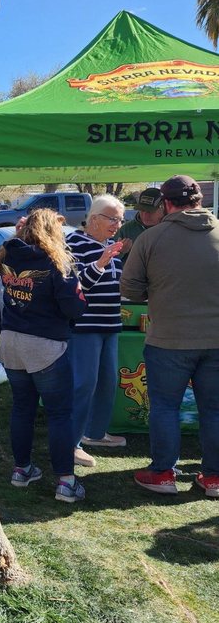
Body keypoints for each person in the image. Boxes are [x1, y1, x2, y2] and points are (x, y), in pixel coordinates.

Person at [121, 175, 219, 496]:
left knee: (165, 407)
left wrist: (160, 291)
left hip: (168, 340)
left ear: (165, 203)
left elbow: (130, 289)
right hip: (215, 341)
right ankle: (214, 478)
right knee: (214, 410)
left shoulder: (151, 238)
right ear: (199, 199)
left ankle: (163, 473)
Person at [0, 209, 88, 502]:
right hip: (44, 344)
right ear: (53, 231)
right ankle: (66, 482)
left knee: (22, 408)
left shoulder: (8, 255)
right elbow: (74, 308)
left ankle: (21, 469)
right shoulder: (55, 261)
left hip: (11, 341)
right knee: (59, 414)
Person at [66, 196, 129, 467]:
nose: (117, 224)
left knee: (107, 382)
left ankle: (94, 433)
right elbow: (76, 286)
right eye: (112, 219)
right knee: (84, 385)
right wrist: (101, 263)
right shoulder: (74, 243)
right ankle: (71, 444)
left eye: (120, 220)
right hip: (85, 327)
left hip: (110, 325)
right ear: (94, 219)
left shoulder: (108, 246)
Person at [116, 188, 164, 262]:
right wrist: (120, 252)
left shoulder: (171, 229)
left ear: (163, 208)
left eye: (150, 211)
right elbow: (109, 262)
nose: (145, 216)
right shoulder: (126, 230)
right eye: (142, 210)